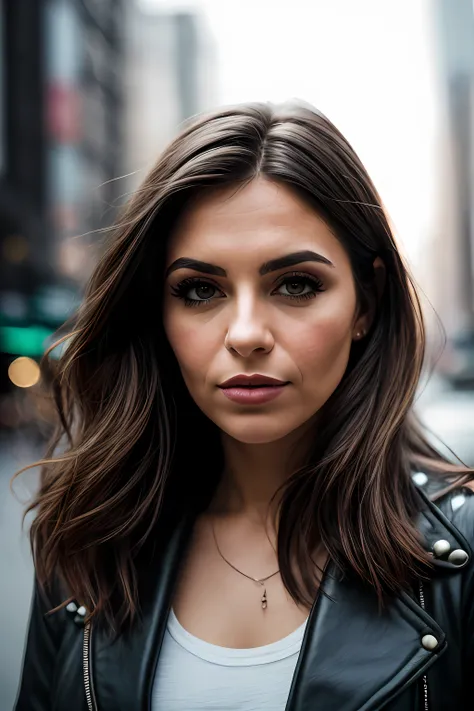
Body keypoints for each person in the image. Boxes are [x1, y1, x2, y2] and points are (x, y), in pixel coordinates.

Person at [14, 101, 474, 711]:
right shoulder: (88, 542)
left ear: (366, 303)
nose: (247, 333)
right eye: (200, 290)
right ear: (158, 312)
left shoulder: (459, 562)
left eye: (296, 284)